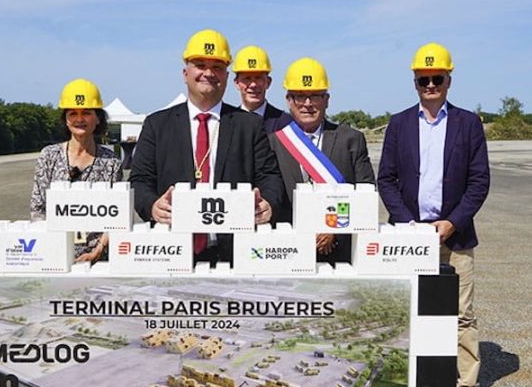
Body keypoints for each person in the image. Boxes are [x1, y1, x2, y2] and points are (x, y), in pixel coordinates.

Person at [377, 42, 491, 387]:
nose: (430, 85)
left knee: (461, 316)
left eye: (436, 78)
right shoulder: (399, 123)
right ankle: (408, 380)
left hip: (453, 237)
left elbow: (479, 181)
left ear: (448, 79)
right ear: (415, 81)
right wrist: (407, 222)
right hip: (409, 238)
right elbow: (387, 179)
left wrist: (452, 221)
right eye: (423, 79)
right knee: (408, 312)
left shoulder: (468, 124)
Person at [129, 28, 287, 264]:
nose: (208, 73)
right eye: (200, 65)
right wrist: (152, 206)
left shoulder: (249, 125)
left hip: (235, 252)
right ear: (185, 73)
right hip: (171, 251)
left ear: (226, 75)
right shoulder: (157, 124)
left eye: (217, 67)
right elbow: (139, 181)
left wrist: (268, 204)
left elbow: (270, 178)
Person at [270, 57, 375, 263]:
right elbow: (275, 197)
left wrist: (333, 230)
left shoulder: (351, 139)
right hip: (290, 252)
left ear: (326, 99)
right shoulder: (275, 142)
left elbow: (366, 195)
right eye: (300, 97)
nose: (307, 104)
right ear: (289, 100)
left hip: (341, 253)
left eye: (314, 96)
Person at [29, 78, 123, 261]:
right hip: (54, 256)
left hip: (99, 258)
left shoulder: (111, 162)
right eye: (73, 113)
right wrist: (54, 247)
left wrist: (98, 251)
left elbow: (118, 217)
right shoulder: (49, 156)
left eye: (86, 113)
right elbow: (37, 209)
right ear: (65, 119)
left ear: (97, 118)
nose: (79, 119)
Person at [232, 45, 286, 133]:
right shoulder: (226, 122)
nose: (253, 85)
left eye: (258, 78)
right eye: (247, 78)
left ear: (268, 82)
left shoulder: (285, 124)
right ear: (237, 83)